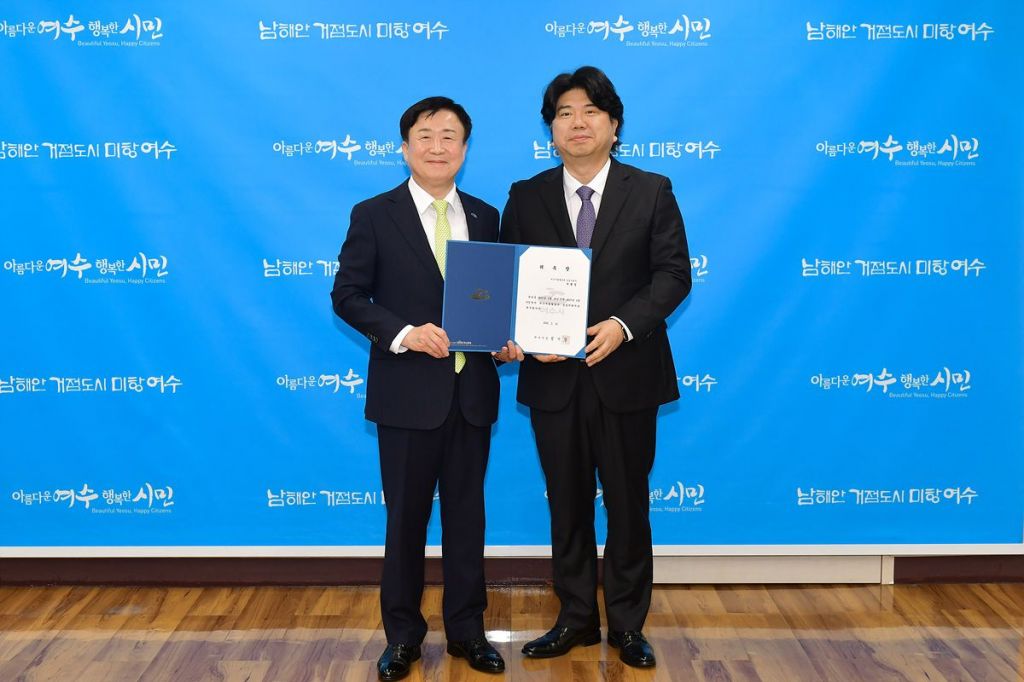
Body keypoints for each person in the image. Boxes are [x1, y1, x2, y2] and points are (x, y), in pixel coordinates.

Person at [500, 66, 691, 669]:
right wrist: (521, 337)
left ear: (613, 125)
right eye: (564, 113)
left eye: (590, 112)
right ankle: (576, 618)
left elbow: (673, 275)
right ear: (551, 130)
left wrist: (623, 325)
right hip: (553, 377)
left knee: (629, 504)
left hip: (627, 372)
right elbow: (505, 281)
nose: (576, 123)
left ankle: (628, 625)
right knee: (567, 502)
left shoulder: (651, 189)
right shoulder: (526, 195)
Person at [332, 96, 522, 681]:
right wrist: (405, 334)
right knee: (406, 523)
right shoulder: (373, 213)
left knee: (468, 521)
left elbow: (497, 299)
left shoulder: (487, 216)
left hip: (472, 394)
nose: (438, 147)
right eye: (425, 135)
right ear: (405, 146)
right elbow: (347, 295)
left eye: (450, 137)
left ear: (465, 148)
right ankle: (403, 637)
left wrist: (507, 338)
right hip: (407, 395)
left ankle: (468, 632)